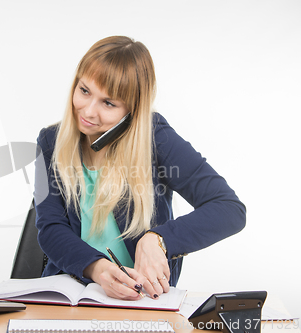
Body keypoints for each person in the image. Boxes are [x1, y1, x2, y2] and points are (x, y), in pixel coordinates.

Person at [33, 36, 246, 301]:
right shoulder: (51, 141)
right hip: (69, 295)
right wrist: (98, 269)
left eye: (108, 103)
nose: (88, 111)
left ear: (132, 110)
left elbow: (229, 208)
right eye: (84, 91)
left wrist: (159, 239)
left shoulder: (157, 138)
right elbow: (51, 228)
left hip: (139, 300)